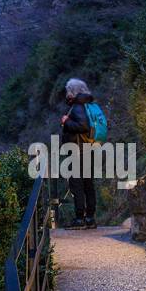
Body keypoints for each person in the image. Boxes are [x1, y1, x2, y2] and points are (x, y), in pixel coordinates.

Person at [60, 77, 97, 229]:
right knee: (88, 184)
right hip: (88, 149)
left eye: (69, 90)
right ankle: (90, 218)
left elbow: (82, 126)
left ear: (73, 92)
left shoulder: (78, 107)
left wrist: (66, 121)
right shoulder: (89, 105)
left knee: (77, 185)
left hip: (78, 151)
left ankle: (80, 218)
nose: (67, 93)